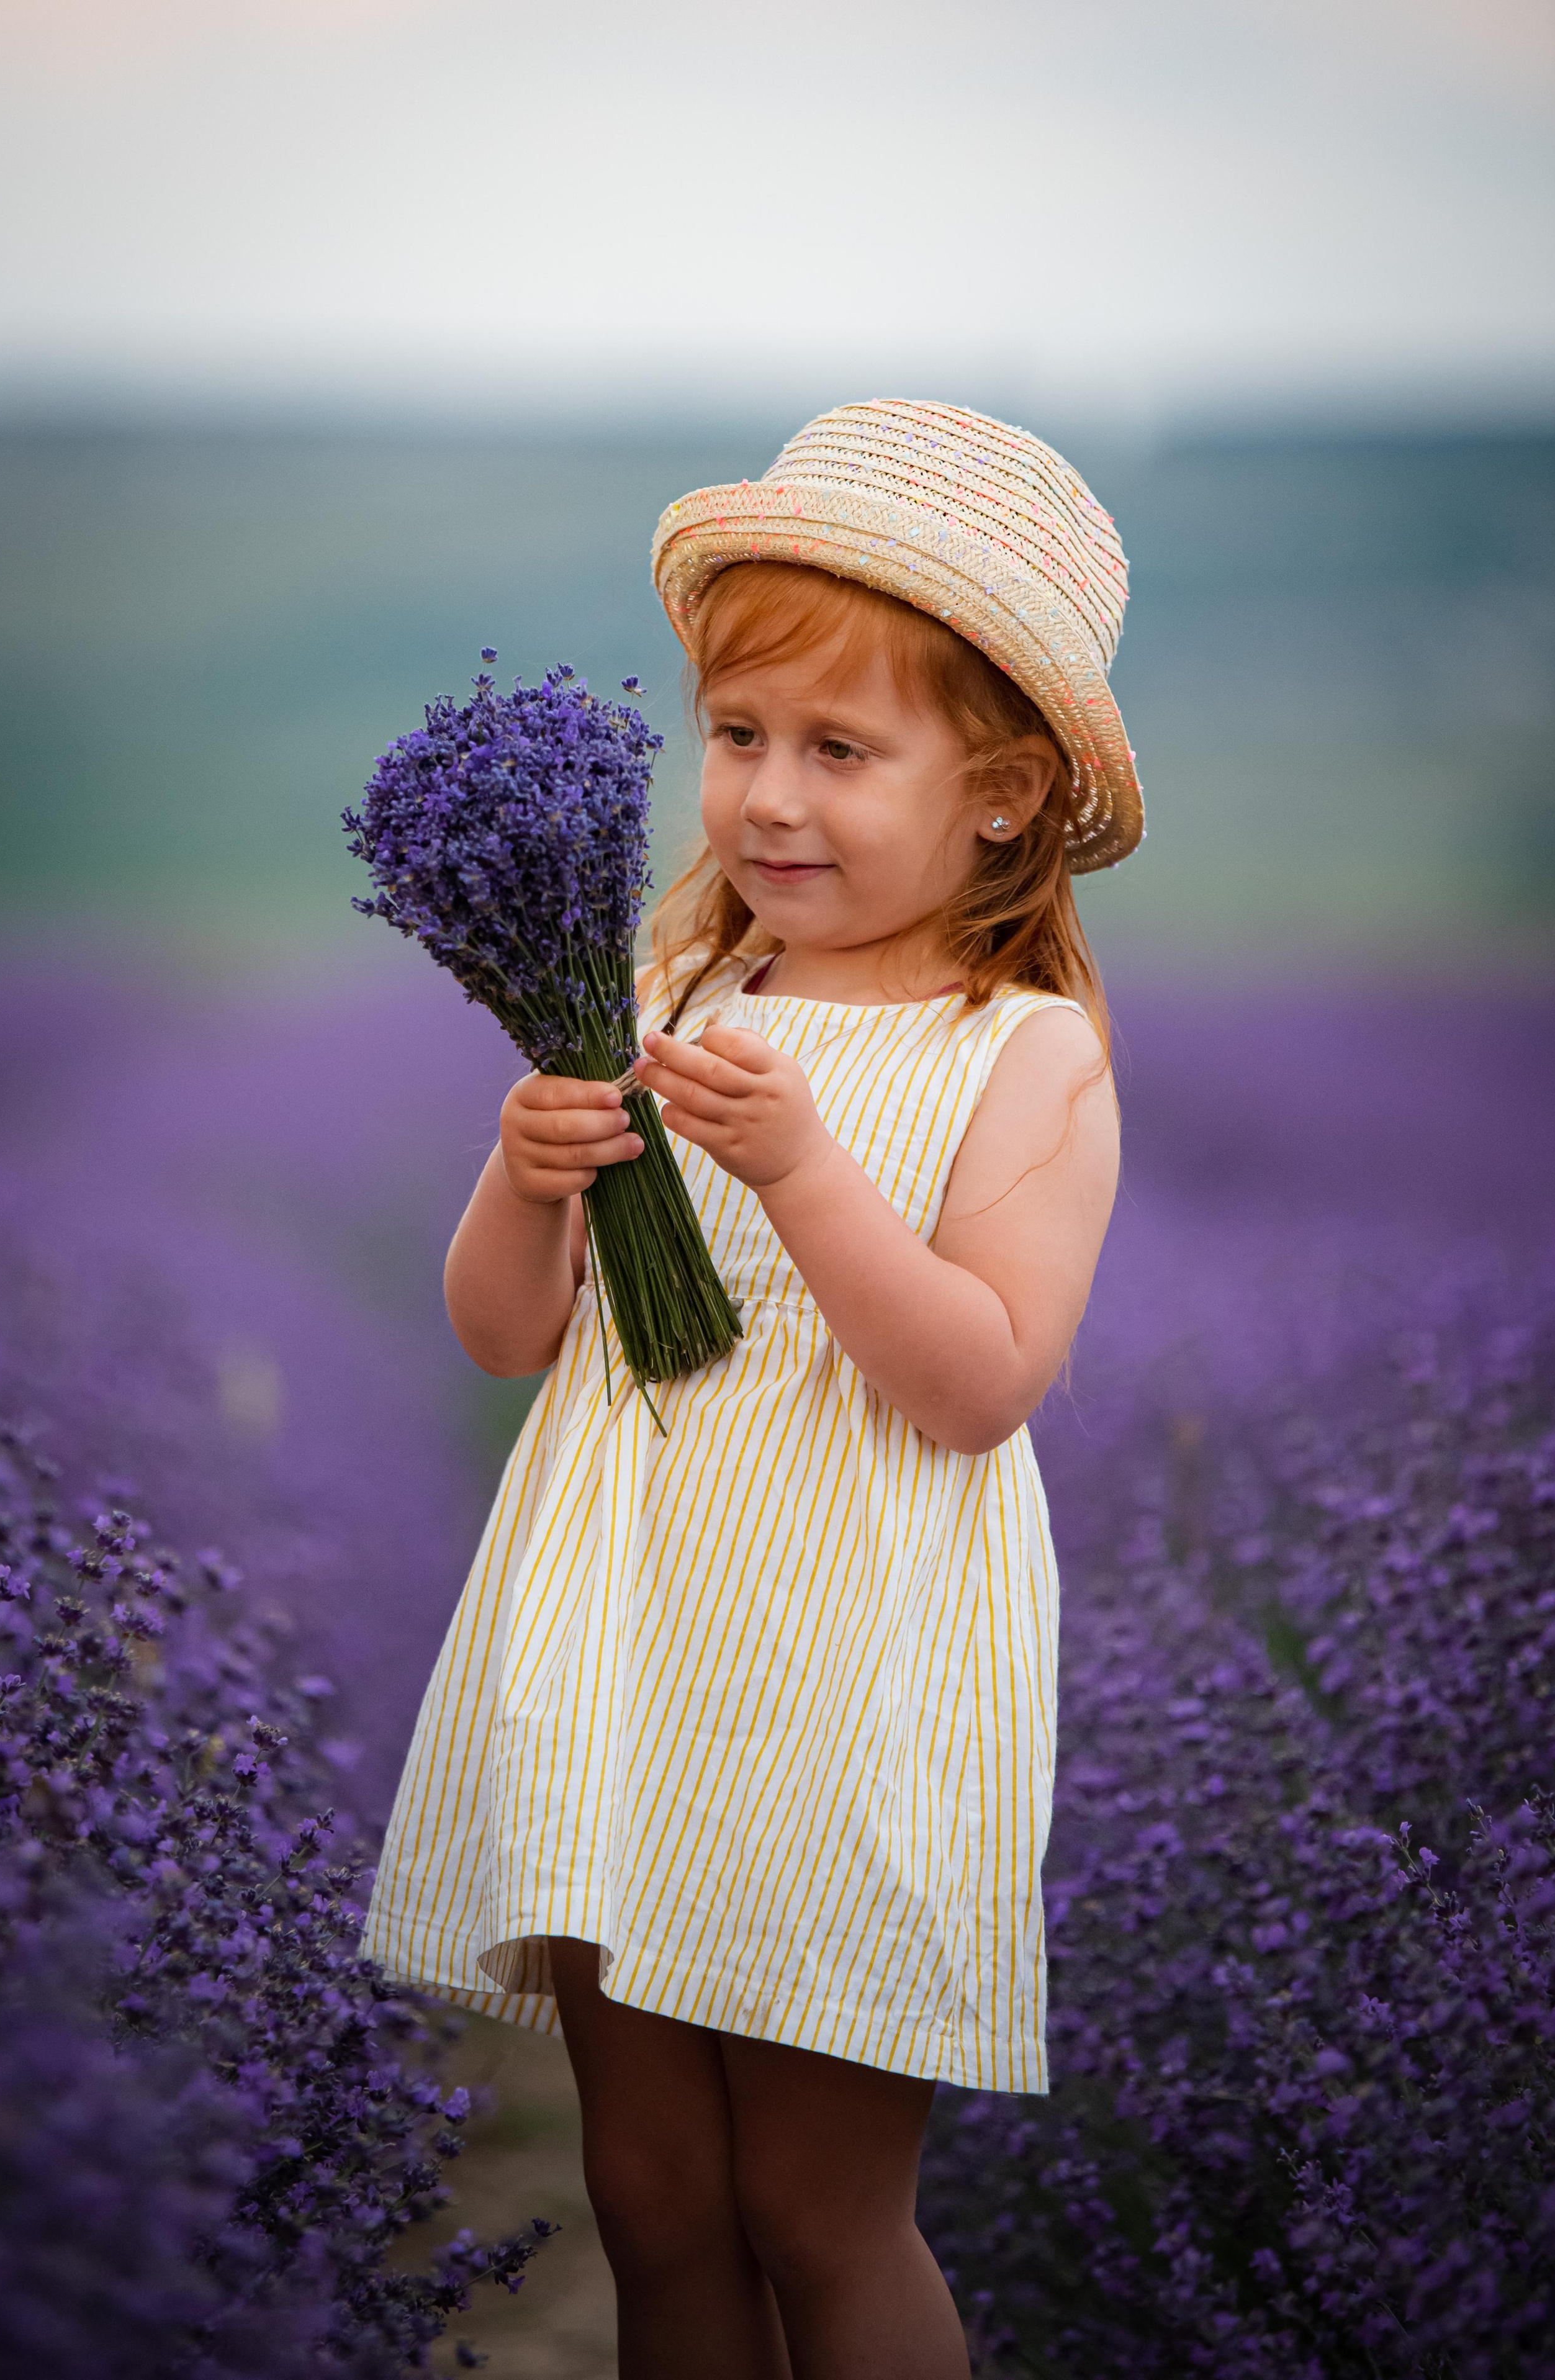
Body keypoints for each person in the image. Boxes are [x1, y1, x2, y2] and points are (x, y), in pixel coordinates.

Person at [361, 399, 1143, 2378]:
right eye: (737, 738)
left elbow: (979, 1386)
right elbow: (505, 1335)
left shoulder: (1022, 1055)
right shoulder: (668, 998)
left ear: (1004, 792)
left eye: (840, 750)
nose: (770, 798)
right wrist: (521, 1176)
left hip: (848, 1683)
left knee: (816, 2205)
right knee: (655, 2195)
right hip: (630, 1644)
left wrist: (801, 1173)